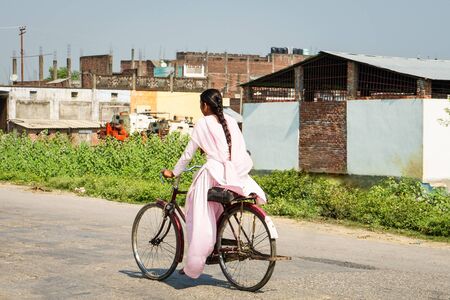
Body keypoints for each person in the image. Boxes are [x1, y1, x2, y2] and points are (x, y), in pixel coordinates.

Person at [162, 88, 266, 279]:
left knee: (197, 208)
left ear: (205, 105)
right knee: (215, 208)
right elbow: (233, 148)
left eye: (200, 105)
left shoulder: (202, 123)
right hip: (235, 173)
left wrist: (173, 172)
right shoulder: (231, 122)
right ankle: (214, 243)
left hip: (213, 173)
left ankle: (200, 253)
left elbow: (188, 154)